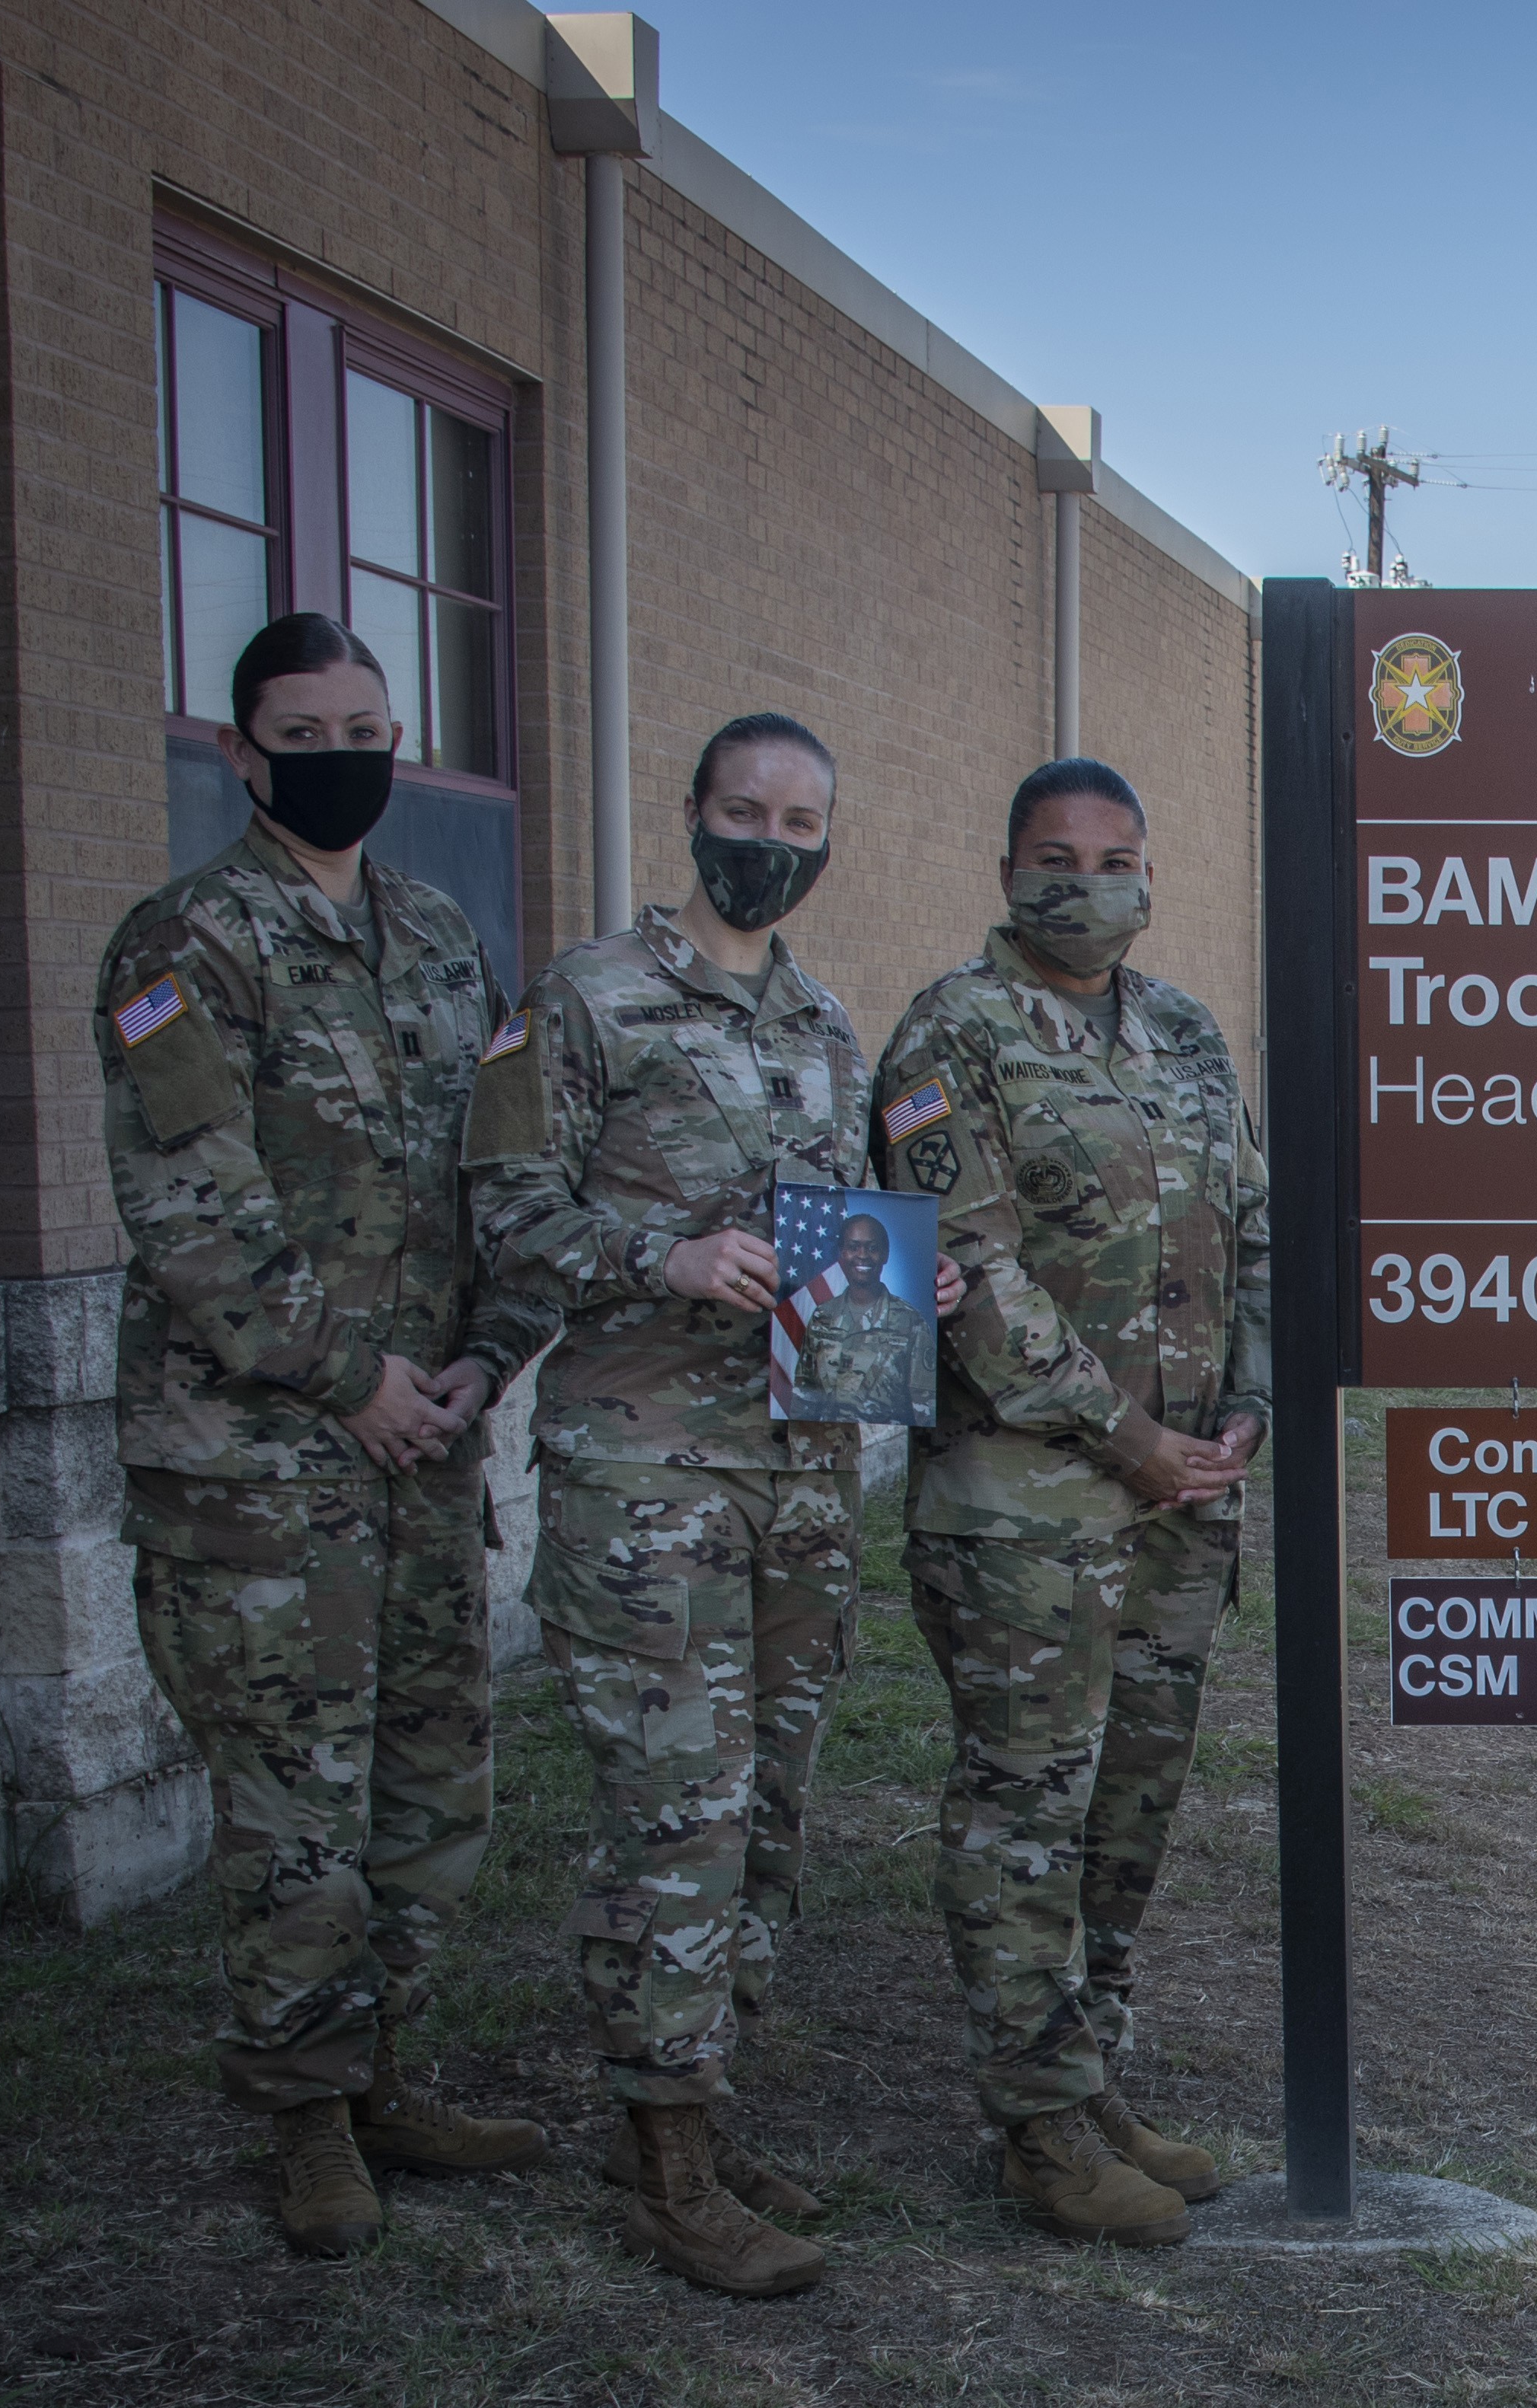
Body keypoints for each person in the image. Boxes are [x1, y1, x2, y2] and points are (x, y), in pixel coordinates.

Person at [467, 712, 959, 2300]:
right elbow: (501, 1207)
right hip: (647, 1473)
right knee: (674, 1810)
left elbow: (853, 1229)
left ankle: (698, 2093)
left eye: (801, 814)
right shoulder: (586, 996)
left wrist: (914, 1273)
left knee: (770, 1806)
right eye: (745, 806)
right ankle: (665, 2152)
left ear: (828, 833)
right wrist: (658, 1256)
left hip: (801, 1474)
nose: (771, 833)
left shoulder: (825, 1018)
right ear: (692, 814)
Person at [93, 611, 552, 2257]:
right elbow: (192, 1210)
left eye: (367, 719)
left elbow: (504, 1176)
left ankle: (384, 2075)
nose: (343, 748)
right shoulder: (186, 946)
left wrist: (490, 1357)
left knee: (433, 1782)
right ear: (241, 750)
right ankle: (301, 2114)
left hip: (428, 1443)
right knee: (298, 1803)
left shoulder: (439, 938)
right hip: (263, 1469)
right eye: (306, 725)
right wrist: (349, 1376)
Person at [866, 757, 1271, 2248]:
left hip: (1183, 1495)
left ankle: (1094, 2074)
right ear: (1006, 868)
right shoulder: (946, 1036)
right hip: (1025, 1495)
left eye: (1114, 857)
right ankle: (1037, 2126)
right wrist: (1127, 1431)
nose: (1085, 882)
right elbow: (967, 1275)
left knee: (1131, 1802)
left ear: (1150, 876)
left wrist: (1251, 1403)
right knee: (1027, 1803)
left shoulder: (1180, 1029)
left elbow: (1256, 1219)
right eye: (1055, 854)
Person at [786, 1213, 921, 1424]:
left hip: (886, 1444)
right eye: (853, 1247)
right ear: (842, 1254)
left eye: (872, 1248)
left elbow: (924, 1406)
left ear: (885, 1255)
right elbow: (805, 1397)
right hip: (826, 1442)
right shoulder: (823, 1316)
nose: (863, 1255)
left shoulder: (911, 1321)